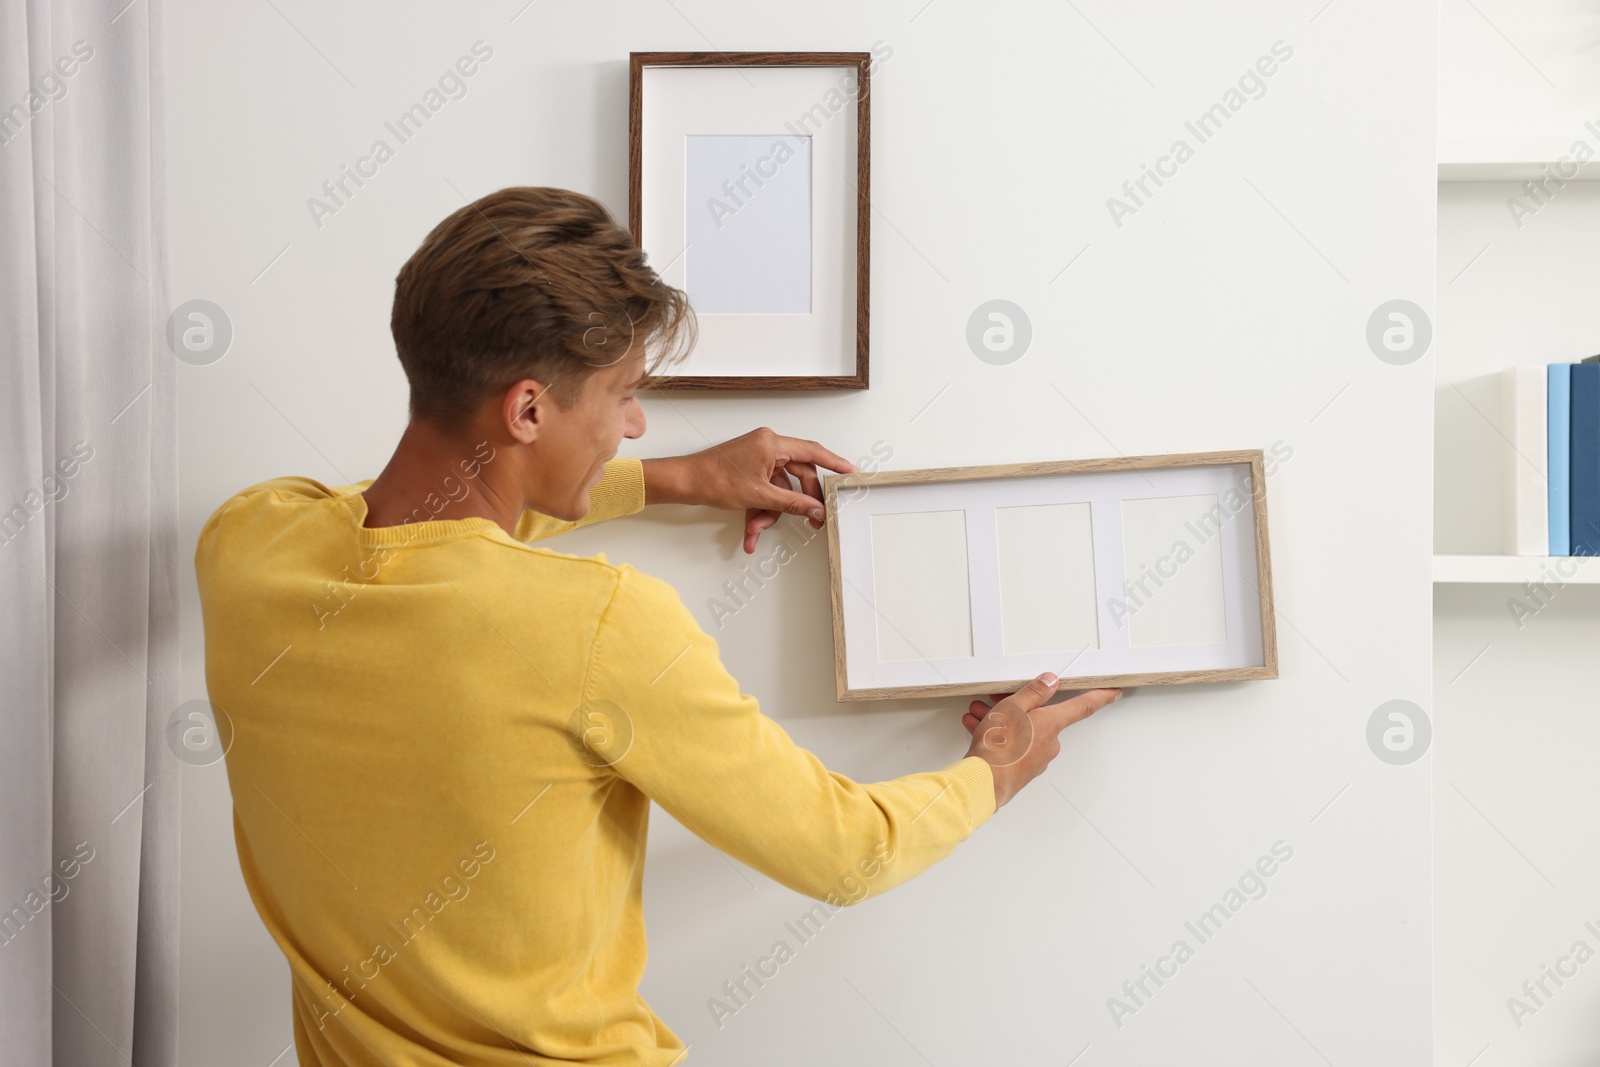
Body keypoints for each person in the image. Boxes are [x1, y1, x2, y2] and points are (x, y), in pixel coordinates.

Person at [194, 186, 1121, 1066]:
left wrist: (678, 477)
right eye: (625, 392)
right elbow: (849, 851)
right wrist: (993, 771)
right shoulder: (598, 625)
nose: (635, 425)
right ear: (527, 408)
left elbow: (417, 522)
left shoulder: (251, 545)